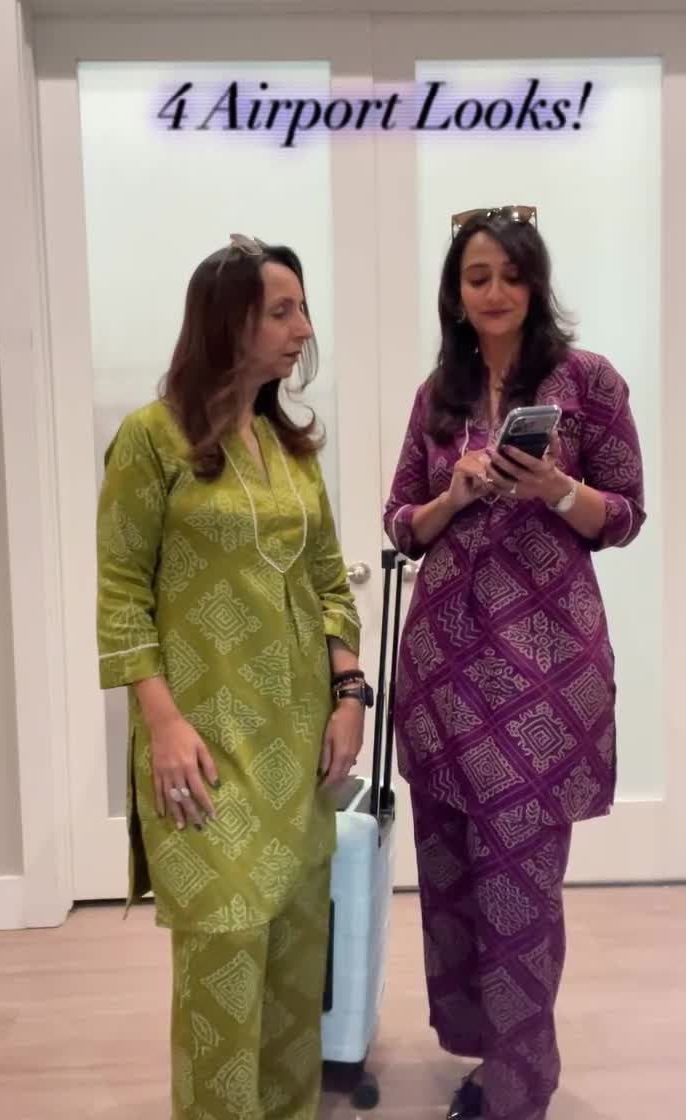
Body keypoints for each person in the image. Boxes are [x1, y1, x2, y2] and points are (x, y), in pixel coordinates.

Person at [96, 234, 369, 1120]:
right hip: (202, 748)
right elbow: (120, 594)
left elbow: (329, 581)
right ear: (228, 323)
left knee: (292, 974)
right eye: (282, 311)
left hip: (298, 747)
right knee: (223, 961)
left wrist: (350, 694)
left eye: (302, 309)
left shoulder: (290, 448)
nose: (303, 329)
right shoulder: (151, 440)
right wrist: (162, 723)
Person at [384, 205, 645, 1120]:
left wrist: (559, 489)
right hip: (443, 669)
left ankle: (518, 1089)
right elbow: (400, 524)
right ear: (455, 293)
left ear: (536, 283)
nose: (494, 292)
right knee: (453, 870)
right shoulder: (438, 396)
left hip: (544, 672)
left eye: (510, 274)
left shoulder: (589, 383)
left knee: (521, 883)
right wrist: (452, 497)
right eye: (476, 277)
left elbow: (625, 515)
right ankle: (485, 1056)